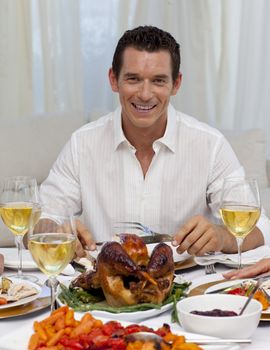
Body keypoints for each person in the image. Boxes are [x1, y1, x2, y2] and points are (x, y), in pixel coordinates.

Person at [40, 25, 270, 258]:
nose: (145, 94)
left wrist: (222, 237)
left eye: (159, 81)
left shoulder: (210, 145)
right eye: (133, 79)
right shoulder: (82, 144)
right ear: (113, 79)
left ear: (176, 84)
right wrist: (58, 232)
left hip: (190, 287)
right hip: (103, 286)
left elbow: (261, 227)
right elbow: (42, 220)